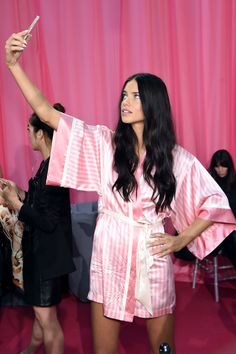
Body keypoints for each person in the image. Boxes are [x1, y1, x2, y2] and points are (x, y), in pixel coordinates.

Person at [5, 30, 236, 354]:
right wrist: (13, 65)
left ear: (154, 103)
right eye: (124, 95)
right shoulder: (104, 143)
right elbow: (46, 113)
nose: (125, 102)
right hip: (109, 254)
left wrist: (181, 239)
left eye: (135, 96)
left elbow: (215, 203)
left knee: (163, 348)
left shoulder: (175, 158)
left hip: (152, 256)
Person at [0, 102, 75, 354]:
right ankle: (31, 349)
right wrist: (18, 193)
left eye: (28, 129)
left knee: (48, 321)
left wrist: (16, 205)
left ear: (40, 134)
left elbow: (47, 221)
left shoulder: (54, 169)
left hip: (47, 258)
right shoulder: (47, 166)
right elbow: (40, 204)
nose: (27, 134)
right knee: (42, 313)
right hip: (43, 256)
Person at [208, 149, 236, 266]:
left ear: (229, 166)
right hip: (214, 225)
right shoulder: (209, 183)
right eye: (217, 167)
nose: (220, 170)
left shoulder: (234, 182)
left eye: (223, 166)